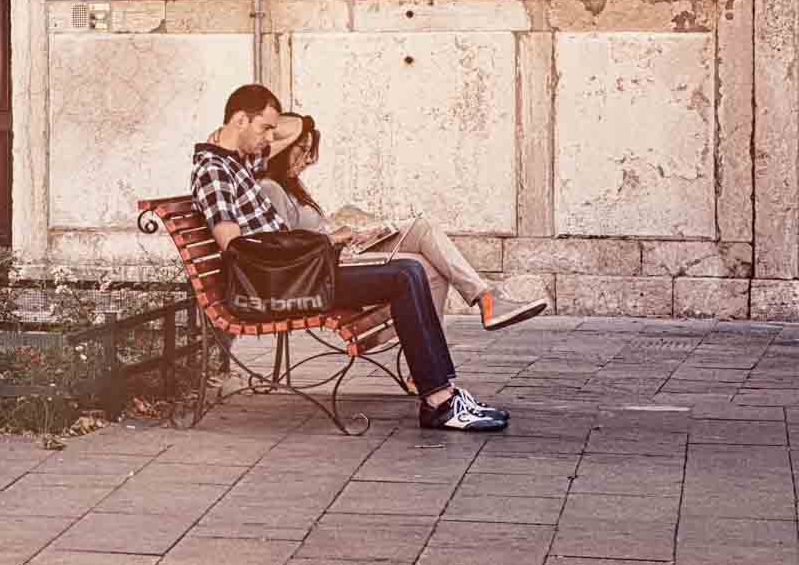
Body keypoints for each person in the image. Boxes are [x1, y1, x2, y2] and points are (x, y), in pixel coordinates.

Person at [191, 84, 510, 432]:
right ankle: (439, 401)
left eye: (272, 130)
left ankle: (443, 394)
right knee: (405, 274)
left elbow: (290, 130)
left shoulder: (237, 160)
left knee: (411, 268)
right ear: (240, 120)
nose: (270, 138)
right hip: (277, 282)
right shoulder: (214, 170)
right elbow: (236, 247)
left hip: (295, 272)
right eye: (265, 128)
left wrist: (237, 130)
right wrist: (319, 243)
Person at [259, 112, 546, 331]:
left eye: (310, 151)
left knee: (422, 231)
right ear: (283, 149)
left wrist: (356, 230)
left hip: (341, 252)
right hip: (327, 266)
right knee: (424, 266)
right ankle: (478, 309)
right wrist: (336, 238)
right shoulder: (270, 188)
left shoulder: (292, 186)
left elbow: (312, 229)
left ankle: (484, 300)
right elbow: (287, 248)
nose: (307, 158)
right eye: (302, 149)